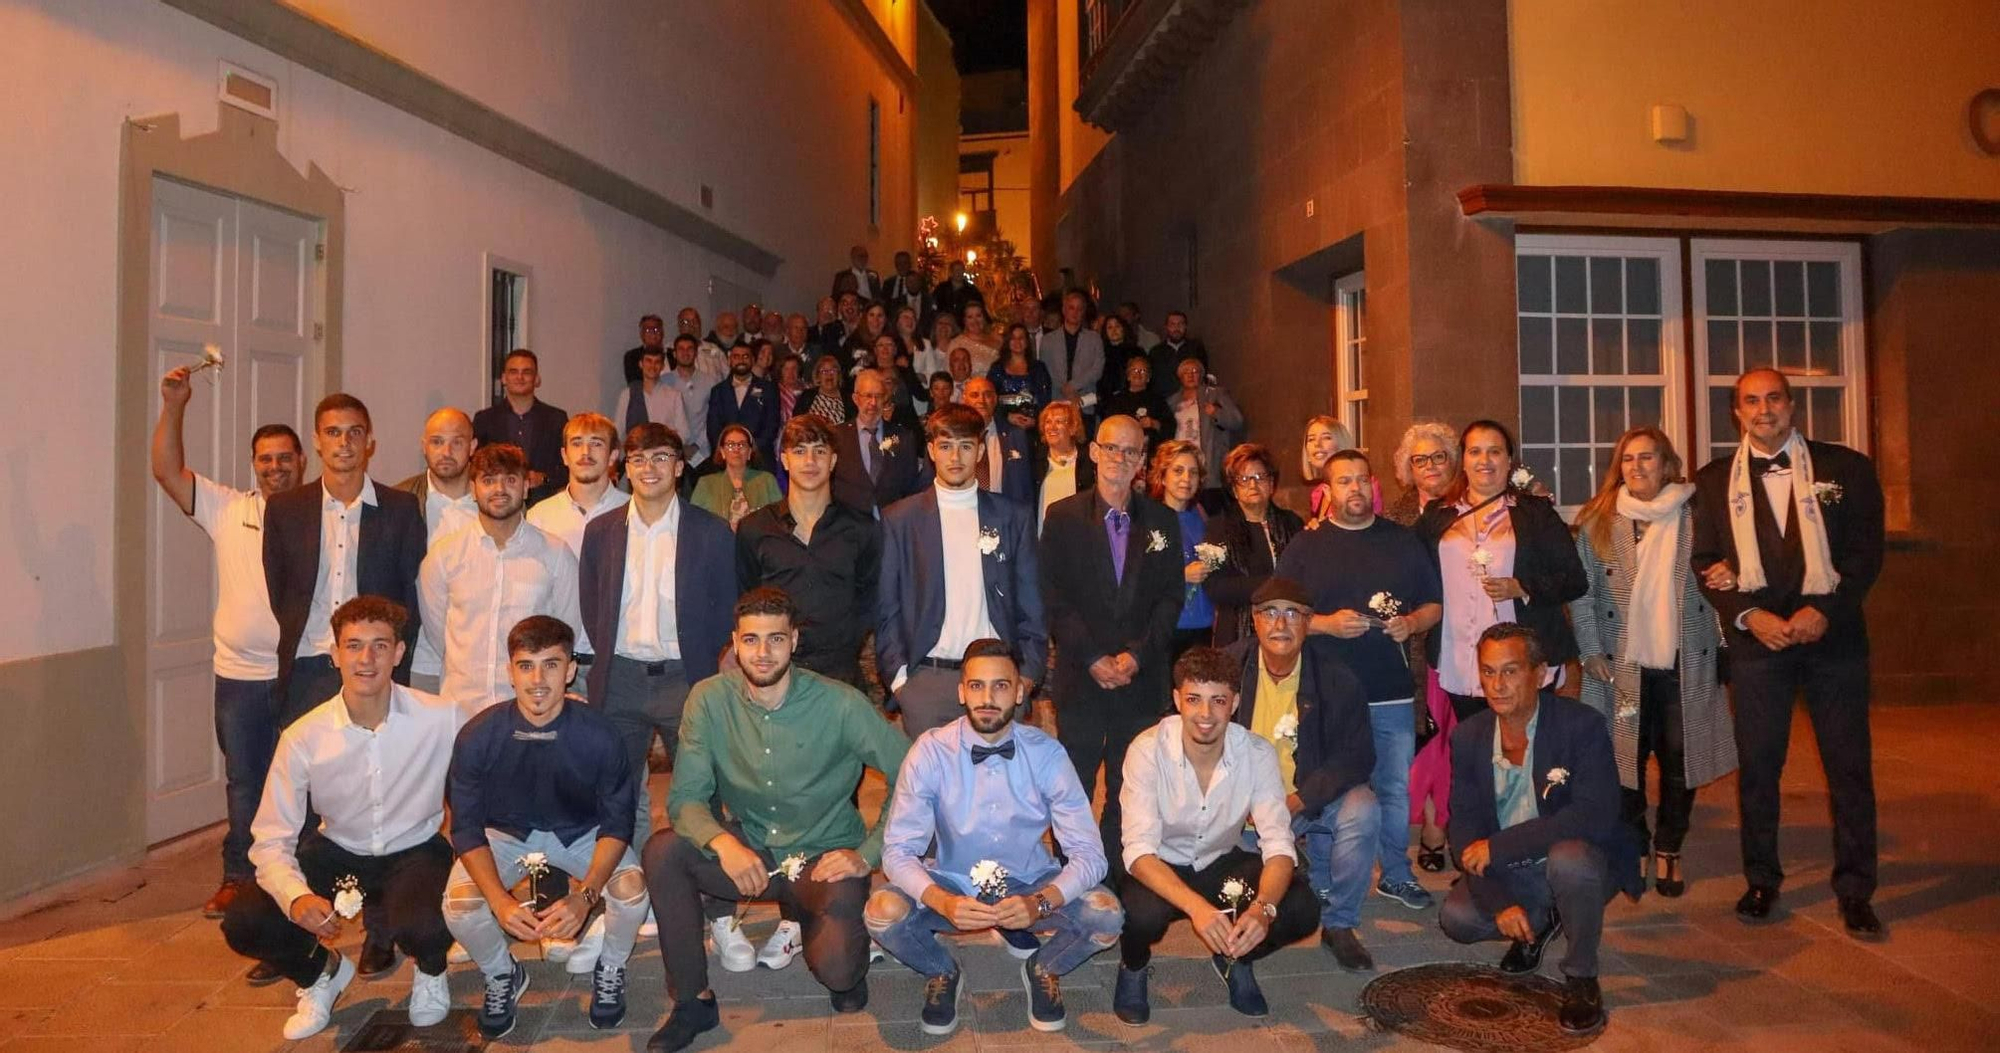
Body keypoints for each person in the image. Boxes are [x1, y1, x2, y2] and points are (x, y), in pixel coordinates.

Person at [642, 588, 912, 1052]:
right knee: (663, 851)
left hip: (826, 858)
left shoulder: (840, 704)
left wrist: (867, 854)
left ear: (794, 640)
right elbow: (685, 797)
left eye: (775, 639)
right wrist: (724, 844)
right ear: (734, 642)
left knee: (839, 975)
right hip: (753, 853)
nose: (762, 653)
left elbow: (912, 774)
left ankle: (830, 927)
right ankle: (692, 1001)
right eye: (751, 640)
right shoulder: (709, 700)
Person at [1690, 368, 1884, 936]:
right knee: (1759, 768)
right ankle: (1761, 879)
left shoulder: (1845, 467)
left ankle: (1855, 888)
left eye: (1773, 398)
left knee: (1848, 768)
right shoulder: (1712, 480)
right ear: (1736, 412)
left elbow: (1867, 552)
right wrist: (1751, 615)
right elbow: (1705, 561)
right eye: (1751, 401)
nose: (1763, 409)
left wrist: (1827, 609)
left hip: (1836, 640)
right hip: (1759, 645)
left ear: (1792, 405)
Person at [220, 597, 459, 1039]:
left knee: (426, 923)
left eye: (380, 646)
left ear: (400, 653)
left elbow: (499, 743)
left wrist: (559, 706)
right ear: (334, 654)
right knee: (245, 920)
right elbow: (271, 838)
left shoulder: (440, 717)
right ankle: (320, 974)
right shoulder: (304, 737)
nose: (366, 659)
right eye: (353, 646)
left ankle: (430, 969)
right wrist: (296, 898)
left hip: (416, 850)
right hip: (340, 848)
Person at [868, 640, 1122, 1036]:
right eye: (977, 686)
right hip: (953, 881)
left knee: (1106, 915)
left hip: (1028, 880)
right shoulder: (931, 751)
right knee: (881, 913)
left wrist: (1039, 903)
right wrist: (943, 900)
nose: (987, 698)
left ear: (1020, 691)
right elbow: (899, 852)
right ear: (961, 690)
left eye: (1001, 686)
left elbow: (1090, 855)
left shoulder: (1047, 754)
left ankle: (1044, 967)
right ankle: (942, 971)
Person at [442, 615, 648, 1038]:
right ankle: (503, 974)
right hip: (507, 834)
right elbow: (465, 830)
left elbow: (617, 824)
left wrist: (586, 896)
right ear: (510, 672)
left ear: (571, 669)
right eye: (526, 665)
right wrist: (499, 901)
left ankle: (609, 968)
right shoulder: (478, 736)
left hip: (581, 831)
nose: (538, 679)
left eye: (551, 665)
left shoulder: (600, 735)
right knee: (459, 905)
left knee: (632, 891)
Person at [151, 366, 304, 923]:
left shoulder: (319, 514)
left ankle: (298, 877)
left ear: (301, 462)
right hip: (238, 675)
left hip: (300, 673)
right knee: (245, 780)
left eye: (285, 457)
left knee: (303, 782)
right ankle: (239, 877)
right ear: (254, 464)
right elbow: (166, 471)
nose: (275, 466)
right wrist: (174, 405)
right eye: (265, 458)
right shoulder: (228, 508)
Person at [1441, 624, 1642, 1036]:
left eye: (1511, 671)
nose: (1497, 685)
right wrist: (1500, 903)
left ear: (1541, 673)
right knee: (1458, 920)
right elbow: (1462, 827)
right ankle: (1540, 922)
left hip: (1578, 859)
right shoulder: (1469, 736)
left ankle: (1582, 976)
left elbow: (1595, 814)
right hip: (1513, 868)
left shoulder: (1580, 726)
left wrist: (1500, 846)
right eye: (1488, 671)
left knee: (1571, 862)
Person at [1570, 427, 1737, 899]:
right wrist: (1590, 650)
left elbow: (1726, 569)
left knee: (1681, 760)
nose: (1636, 468)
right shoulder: (1598, 520)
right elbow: (1583, 595)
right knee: (1624, 760)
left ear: (1667, 464)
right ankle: (1635, 844)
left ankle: (1670, 847)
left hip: (1687, 660)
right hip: (1620, 663)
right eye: (1627, 459)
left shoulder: (1698, 514)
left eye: (1647, 458)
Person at [1114, 647, 1322, 1023]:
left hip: (1218, 859)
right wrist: (1198, 909)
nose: (1205, 715)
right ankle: (1133, 966)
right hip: (1159, 864)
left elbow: (1277, 845)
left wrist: (1262, 911)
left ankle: (1237, 955)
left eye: (1218, 701)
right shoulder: (1147, 750)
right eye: (1194, 699)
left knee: (1302, 908)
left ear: (1235, 702)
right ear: (1177, 700)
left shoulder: (1255, 753)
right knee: (1139, 916)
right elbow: (1138, 852)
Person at [1276, 449, 1443, 912]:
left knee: (1393, 788)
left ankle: (1395, 874)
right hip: (1326, 695)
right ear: (1327, 491)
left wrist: (1411, 623)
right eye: (1343, 481)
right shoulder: (1306, 547)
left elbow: (1434, 604)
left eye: (1361, 480)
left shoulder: (1402, 541)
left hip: (1389, 691)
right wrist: (1325, 624)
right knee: (1329, 785)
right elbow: (1278, 616)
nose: (1354, 489)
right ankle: (1325, 880)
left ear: (1374, 484)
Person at [578, 423, 736, 846]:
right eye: (638, 458)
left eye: (661, 457)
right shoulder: (601, 531)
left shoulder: (711, 531)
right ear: (625, 467)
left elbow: (726, 605)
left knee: (699, 792)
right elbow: (593, 605)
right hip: (620, 679)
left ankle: (711, 902)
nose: (649, 467)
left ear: (680, 466)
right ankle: (623, 892)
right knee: (614, 793)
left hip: (686, 677)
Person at [1040, 415, 1185, 868]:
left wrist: (1136, 657)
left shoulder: (1163, 520)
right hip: (1082, 677)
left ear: (1142, 460)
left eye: (1131, 451)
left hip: (1139, 679)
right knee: (1074, 780)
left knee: (1130, 780)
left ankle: (1114, 868)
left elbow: (1170, 599)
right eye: (1112, 448)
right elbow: (1053, 596)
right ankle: (1071, 869)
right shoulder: (1062, 517)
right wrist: (1092, 657)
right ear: (1094, 452)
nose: (1120, 458)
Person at [1227, 580, 1381, 969]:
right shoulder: (1228, 668)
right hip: (1243, 809)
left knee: (1363, 808)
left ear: (1309, 622)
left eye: (1293, 613)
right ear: (1255, 621)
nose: (1281, 623)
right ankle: (1290, 883)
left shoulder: (1336, 677)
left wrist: (1298, 800)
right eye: (1270, 613)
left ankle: (1340, 923)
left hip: (1308, 799)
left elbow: (1356, 756)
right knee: (1238, 891)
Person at [877, 404, 1047, 738]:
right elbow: (887, 607)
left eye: (965, 446)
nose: (955, 457)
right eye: (945, 446)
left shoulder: (1013, 516)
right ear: (931, 451)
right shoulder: (900, 518)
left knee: (995, 788)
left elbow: (1032, 603)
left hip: (995, 679)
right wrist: (900, 682)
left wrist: (1026, 675)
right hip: (927, 680)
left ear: (981, 450)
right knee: (931, 789)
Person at [264, 393, 426, 724]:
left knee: (374, 767)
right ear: (317, 441)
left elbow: (412, 596)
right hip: (308, 665)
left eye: (354, 432)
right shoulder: (285, 509)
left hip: (374, 667)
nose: (344, 442)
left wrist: (392, 659)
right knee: (312, 770)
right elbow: (280, 592)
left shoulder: (400, 509)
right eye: (333, 432)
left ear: (369, 441)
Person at [1417, 420, 1586, 721]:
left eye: (1494, 451)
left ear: (1509, 460)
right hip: (1460, 657)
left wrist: (1522, 587)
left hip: (1520, 659)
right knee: (1475, 748)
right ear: (1463, 461)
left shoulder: (1534, 512)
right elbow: (1405, 559)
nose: (1484, 460)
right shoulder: (1438, 515)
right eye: (1475, 452)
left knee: (1525, 749)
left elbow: (1574, 579)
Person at [417, 443, 581, 716]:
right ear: (473, 489)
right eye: (489, 480)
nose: (500, 490)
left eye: (511, 480)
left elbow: (567, 631)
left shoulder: (556, 555)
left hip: (531, 712)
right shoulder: (444, 556)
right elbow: (439, 635)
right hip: (460, 710)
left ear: (526, 487)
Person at [737, 414, 882, 687]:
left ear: (834, 460)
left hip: (841, 674)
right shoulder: (754, 528)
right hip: (775, 674)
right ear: (784, 459)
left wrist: (846, 641)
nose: (810, 461)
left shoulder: (861, 528)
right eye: (800, 451)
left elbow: (870, 597)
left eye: (819, 451)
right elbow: (745, 596)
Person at [1384, 420, 1461, 871]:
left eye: (1438, 457)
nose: (1430, 466)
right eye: (1420, 460)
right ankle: (1433, 823)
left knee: (1459, 738)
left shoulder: (1469, 508)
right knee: (1429, 737)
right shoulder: (1395, 517)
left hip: (1466, 639)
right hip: (1418, 645)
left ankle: (1454, 822)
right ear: (1407, 469)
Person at [396, 408, 481, 694]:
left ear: (472, 446)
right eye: (436, 441)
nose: (446, 451)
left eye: (457, 442)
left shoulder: (497, 502)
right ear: (424, 446)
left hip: (481, 663)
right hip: (419, 663)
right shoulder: (400, 502)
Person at [1203, 443, 1304, 649]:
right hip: (1236, 633)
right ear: (1234, 488)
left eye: (1260, 477)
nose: (1253, 485)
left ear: (1272, 483)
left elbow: (1305, 575)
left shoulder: (1292, 523)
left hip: (1288, 630)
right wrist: (1275, 583)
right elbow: (1216, 587)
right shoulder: (1218, 527)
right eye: (1244, 479)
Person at [472, 349, 568, 504]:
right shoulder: (485, 419)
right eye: (513, 372)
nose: (520, 377)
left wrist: (544, 478)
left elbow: (568, 466)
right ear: (503, 378)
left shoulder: (557, 419)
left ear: (537, 379)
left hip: (546, 503)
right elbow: (475, 467)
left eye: (527, 372)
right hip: (499, 503)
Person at [1149, 440, 1214, 660]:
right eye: (1178, 471)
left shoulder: (1203, 517)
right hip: (1166, 626)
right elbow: (1137, 577)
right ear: (1163, 476)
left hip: (1203, 623)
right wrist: (1182, 575)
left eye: (1193, 472)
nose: (1186, 479)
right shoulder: (1147, 519)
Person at [830, 369, 922, 517]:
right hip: (849, 528)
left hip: (892, 524)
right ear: (855, 399)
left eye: (878, 396)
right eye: (867, 396)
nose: (873, 403)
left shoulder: (903, 438)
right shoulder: (836, 436)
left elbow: (911, 487)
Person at [1167, 357, 1243, 503]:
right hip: (1180, 459)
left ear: (1201, 375)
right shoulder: (1172, 402)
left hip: (1208, 461)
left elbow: (1237, 420)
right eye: (1186, 372)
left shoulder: (1215, 394)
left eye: (1195, 371)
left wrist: (1216, 412)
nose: (1190, 375)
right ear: (1180, 377)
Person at [690, 422, 781, 530]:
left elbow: (779, 520)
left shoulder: (766, 480)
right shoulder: (705, 484)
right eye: (730, 445)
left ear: (749, 452)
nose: (736, 449)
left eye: (742, 444)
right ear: (722, 452)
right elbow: (693, 522)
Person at [705, 342, 781, 470]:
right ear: (730, 360)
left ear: (752, 360)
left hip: (759, 459)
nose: (741, 360)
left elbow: (772, 425)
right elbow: (713, 427)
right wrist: (729, 450)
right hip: (726, 461)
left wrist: (750, 449)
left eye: (745, 357)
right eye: (736, 356)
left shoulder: (769, 389)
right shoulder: (718, 391)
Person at [957, 377, 1034, 502]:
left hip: (1005, 515)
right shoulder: (951, 437)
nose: (981, 400)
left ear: (995, 399)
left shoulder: (1016, 436)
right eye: (974, 395)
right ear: (964, 400)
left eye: (987, 394)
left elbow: (1027, 485)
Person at [1038, 289, 1106, 424]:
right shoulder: (1048, 340)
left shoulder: (1094, 339)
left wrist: (1074, 386)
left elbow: (1097, 369)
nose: (1075, 312)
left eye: (1079, 309)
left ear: (1084, 312)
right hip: (1057, 401)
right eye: (1071, 308)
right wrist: (1066, 389)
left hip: (1084, 402)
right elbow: (1045, 369)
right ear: (1064, 310)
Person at [1030, 400, 1093, 535]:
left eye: (1058, 422)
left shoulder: (1089, 462)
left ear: (1072, 428)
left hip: (1078, 540)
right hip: (1043, 541)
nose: (1051, 427)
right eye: (1048, 422)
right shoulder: (1035, 462)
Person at [660, 334, 719, 470]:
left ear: (696, 353)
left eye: (690, 349)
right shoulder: (664, 382)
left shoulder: (710, 382)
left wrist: (696, 445)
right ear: (674, 354)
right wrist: (678, 445)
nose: (685, 353)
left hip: (702, 452)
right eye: (681, 349)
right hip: (672, 451)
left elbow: (713, 418)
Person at [614, 342, 693, 443]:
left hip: (664, 455)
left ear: (662, 366)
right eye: (649, 361)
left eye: (657, 362)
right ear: (641, 364)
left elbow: (684, 433)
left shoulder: (674, 396)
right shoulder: (628, 395)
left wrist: (661, 444)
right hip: (636, 454)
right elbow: (618, 432)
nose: (653, 366)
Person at [987, 322, 1053, 433]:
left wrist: (1036, 420)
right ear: (1007, 341)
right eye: (1013, 338)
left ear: (1027, 342)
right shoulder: (996, 369)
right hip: (1004, 425)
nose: (1017, 342)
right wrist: (1006, 416)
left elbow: (1045, 399)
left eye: (1021, 338)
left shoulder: (1038, 368)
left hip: (1032, 426)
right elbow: (989, 397)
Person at [1102, 355, 1173, 456]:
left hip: (1148, 456)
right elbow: (1106, 428)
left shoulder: (1157, 401)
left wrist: (1153, 423)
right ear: (1128, 376)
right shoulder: (1116, 400)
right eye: (1134, 370)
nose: (1138, 374)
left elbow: (1170, 427)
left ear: (1148, 378)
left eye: (1143, 371)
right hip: (1120, 455)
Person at [1301, 416, 1354, 524]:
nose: (1317, 444)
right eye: (1311, 439)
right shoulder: (1318, 493)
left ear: (1341, 444)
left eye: (1326, 438)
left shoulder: (1364, 485)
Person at [1147, 310, 1208, 397]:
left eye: (1180, 324)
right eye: (1172, 324)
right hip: (1164, 400)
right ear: (1166, 327)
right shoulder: (1156, 352)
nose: (1176, 328)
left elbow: (1203, 376)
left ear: (1186, 326)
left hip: (1192, 400)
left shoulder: (1196, 349)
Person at [950, 300, 1002, 376]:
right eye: (970, 317)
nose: (975, 321)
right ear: (965, 321)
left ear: (984, 318)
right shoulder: (957, 343)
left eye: (978, 316)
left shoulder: (998, 339)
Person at [622, 313, 667, 386]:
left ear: (662, 333)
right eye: (648, 330)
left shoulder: (672, 354)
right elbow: (634, 383)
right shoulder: (632, 357)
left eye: (656, 329)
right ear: (641, 334)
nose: (653, 333)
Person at [805, 353, 849, 425]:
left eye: (833, 371)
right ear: (818, 376)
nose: (829, 375)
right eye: (824, 371)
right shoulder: (806, 396)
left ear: (838, 375)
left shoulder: (849, 400)